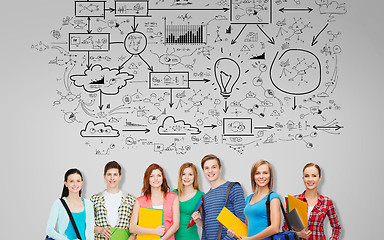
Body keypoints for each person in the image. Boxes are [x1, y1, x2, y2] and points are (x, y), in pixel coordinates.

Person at [283, 163, 341, 240]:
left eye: (314, 176)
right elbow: (285, 229)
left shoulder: (327, 202)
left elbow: (336, 228)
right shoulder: (293, 200)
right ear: (303, 178)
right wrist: (299, 234)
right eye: (307, 176)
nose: (310, 179)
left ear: (319, 178)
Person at [228, 160, 281, 240]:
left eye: (265, 173)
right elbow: (247, 228)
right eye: (257, 173)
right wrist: (234, 232)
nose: (261, 176)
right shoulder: (249, 198)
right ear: (253, 176)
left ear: (270, 176)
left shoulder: (273, 197)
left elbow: (275, 228)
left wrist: (251, 239)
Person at [200, 154, 246, 240]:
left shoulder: (233, 188)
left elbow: (241, 220)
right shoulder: (205, 197)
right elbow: (205, 228)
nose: (210, 171)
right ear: (203, 171)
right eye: (206, 168)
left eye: (214, 167)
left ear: (220, 168)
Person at [129, 163, 180, 240]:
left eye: (159, 175)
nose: (156, 179)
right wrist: (154, 231)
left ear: (163, 178)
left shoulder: (173, 197)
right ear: (147, 179)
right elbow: (132, 228)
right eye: (152, 176)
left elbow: (176, 225)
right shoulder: (139, 201)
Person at [90, 161, 136, 240]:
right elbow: (88, 225)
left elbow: (135, 229)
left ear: (120, 176)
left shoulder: (131, 200)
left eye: (115, 174)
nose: (112, 178)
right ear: (104, 176)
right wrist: (100, 230)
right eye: (109, 174)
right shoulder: (94, 200)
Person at [46, 168, 95, 240]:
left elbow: (90, 232)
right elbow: (49, 230)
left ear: (82, 183)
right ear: (65, 183)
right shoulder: (58, 204)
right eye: (71, 181)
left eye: (78, 181)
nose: (75, 184)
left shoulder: (88, 204)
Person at [172, 162, 204, 240]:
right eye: (184, 174)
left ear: (194, 177)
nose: (187, 177)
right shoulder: (173, 193)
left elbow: (204, 224)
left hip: (191, 237)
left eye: (190, 174)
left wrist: (196, 219)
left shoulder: (200, 195)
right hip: (172, 236)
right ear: (180, 176)